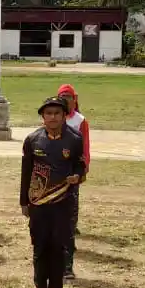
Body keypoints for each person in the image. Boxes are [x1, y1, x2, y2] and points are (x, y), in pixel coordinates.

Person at [20, 97, 85, 288]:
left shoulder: (74, 139)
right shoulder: (33, 140)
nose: (53, 117)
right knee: (40, 248)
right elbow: (26, 172)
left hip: (62, 203)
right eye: (48, 113)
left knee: (58, 248)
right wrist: (24, 202)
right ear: (42, 116)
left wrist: (77, 175)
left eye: (57, 113)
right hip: (38, 204)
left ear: (65, 115)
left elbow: (80, 165)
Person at [57, 84, 90, 277]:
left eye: (69, 96)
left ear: (74, 99)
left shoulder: (80, 121)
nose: (67, 99)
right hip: (55, 174)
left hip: (72, 173)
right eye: (63, 96)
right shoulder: (53, 117)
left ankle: (67, 263)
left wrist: (84, 168)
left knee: (70, 213)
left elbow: (85, 146)